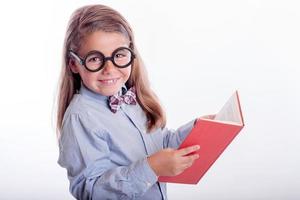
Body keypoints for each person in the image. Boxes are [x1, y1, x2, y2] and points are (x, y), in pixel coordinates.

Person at [56, 4, 203, 200]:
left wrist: (198, 129)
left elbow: (159, 145)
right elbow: (91, 192)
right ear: (74, 64)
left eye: (119, 55)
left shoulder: (131, 99)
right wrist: (151, 168)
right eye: (94, 59)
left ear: (131, 54)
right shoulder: (81, 117)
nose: (109, 69)